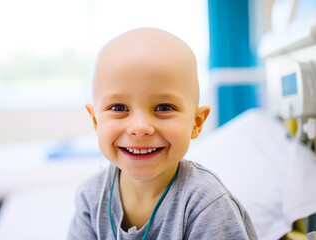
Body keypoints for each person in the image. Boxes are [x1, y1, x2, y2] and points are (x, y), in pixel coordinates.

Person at [67, 28, 257, 240]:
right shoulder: (91, 198)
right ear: (96, 121)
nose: (140, 127)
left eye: (164, 107)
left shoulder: (206, 203)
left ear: (196, 123)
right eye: (119, 108)